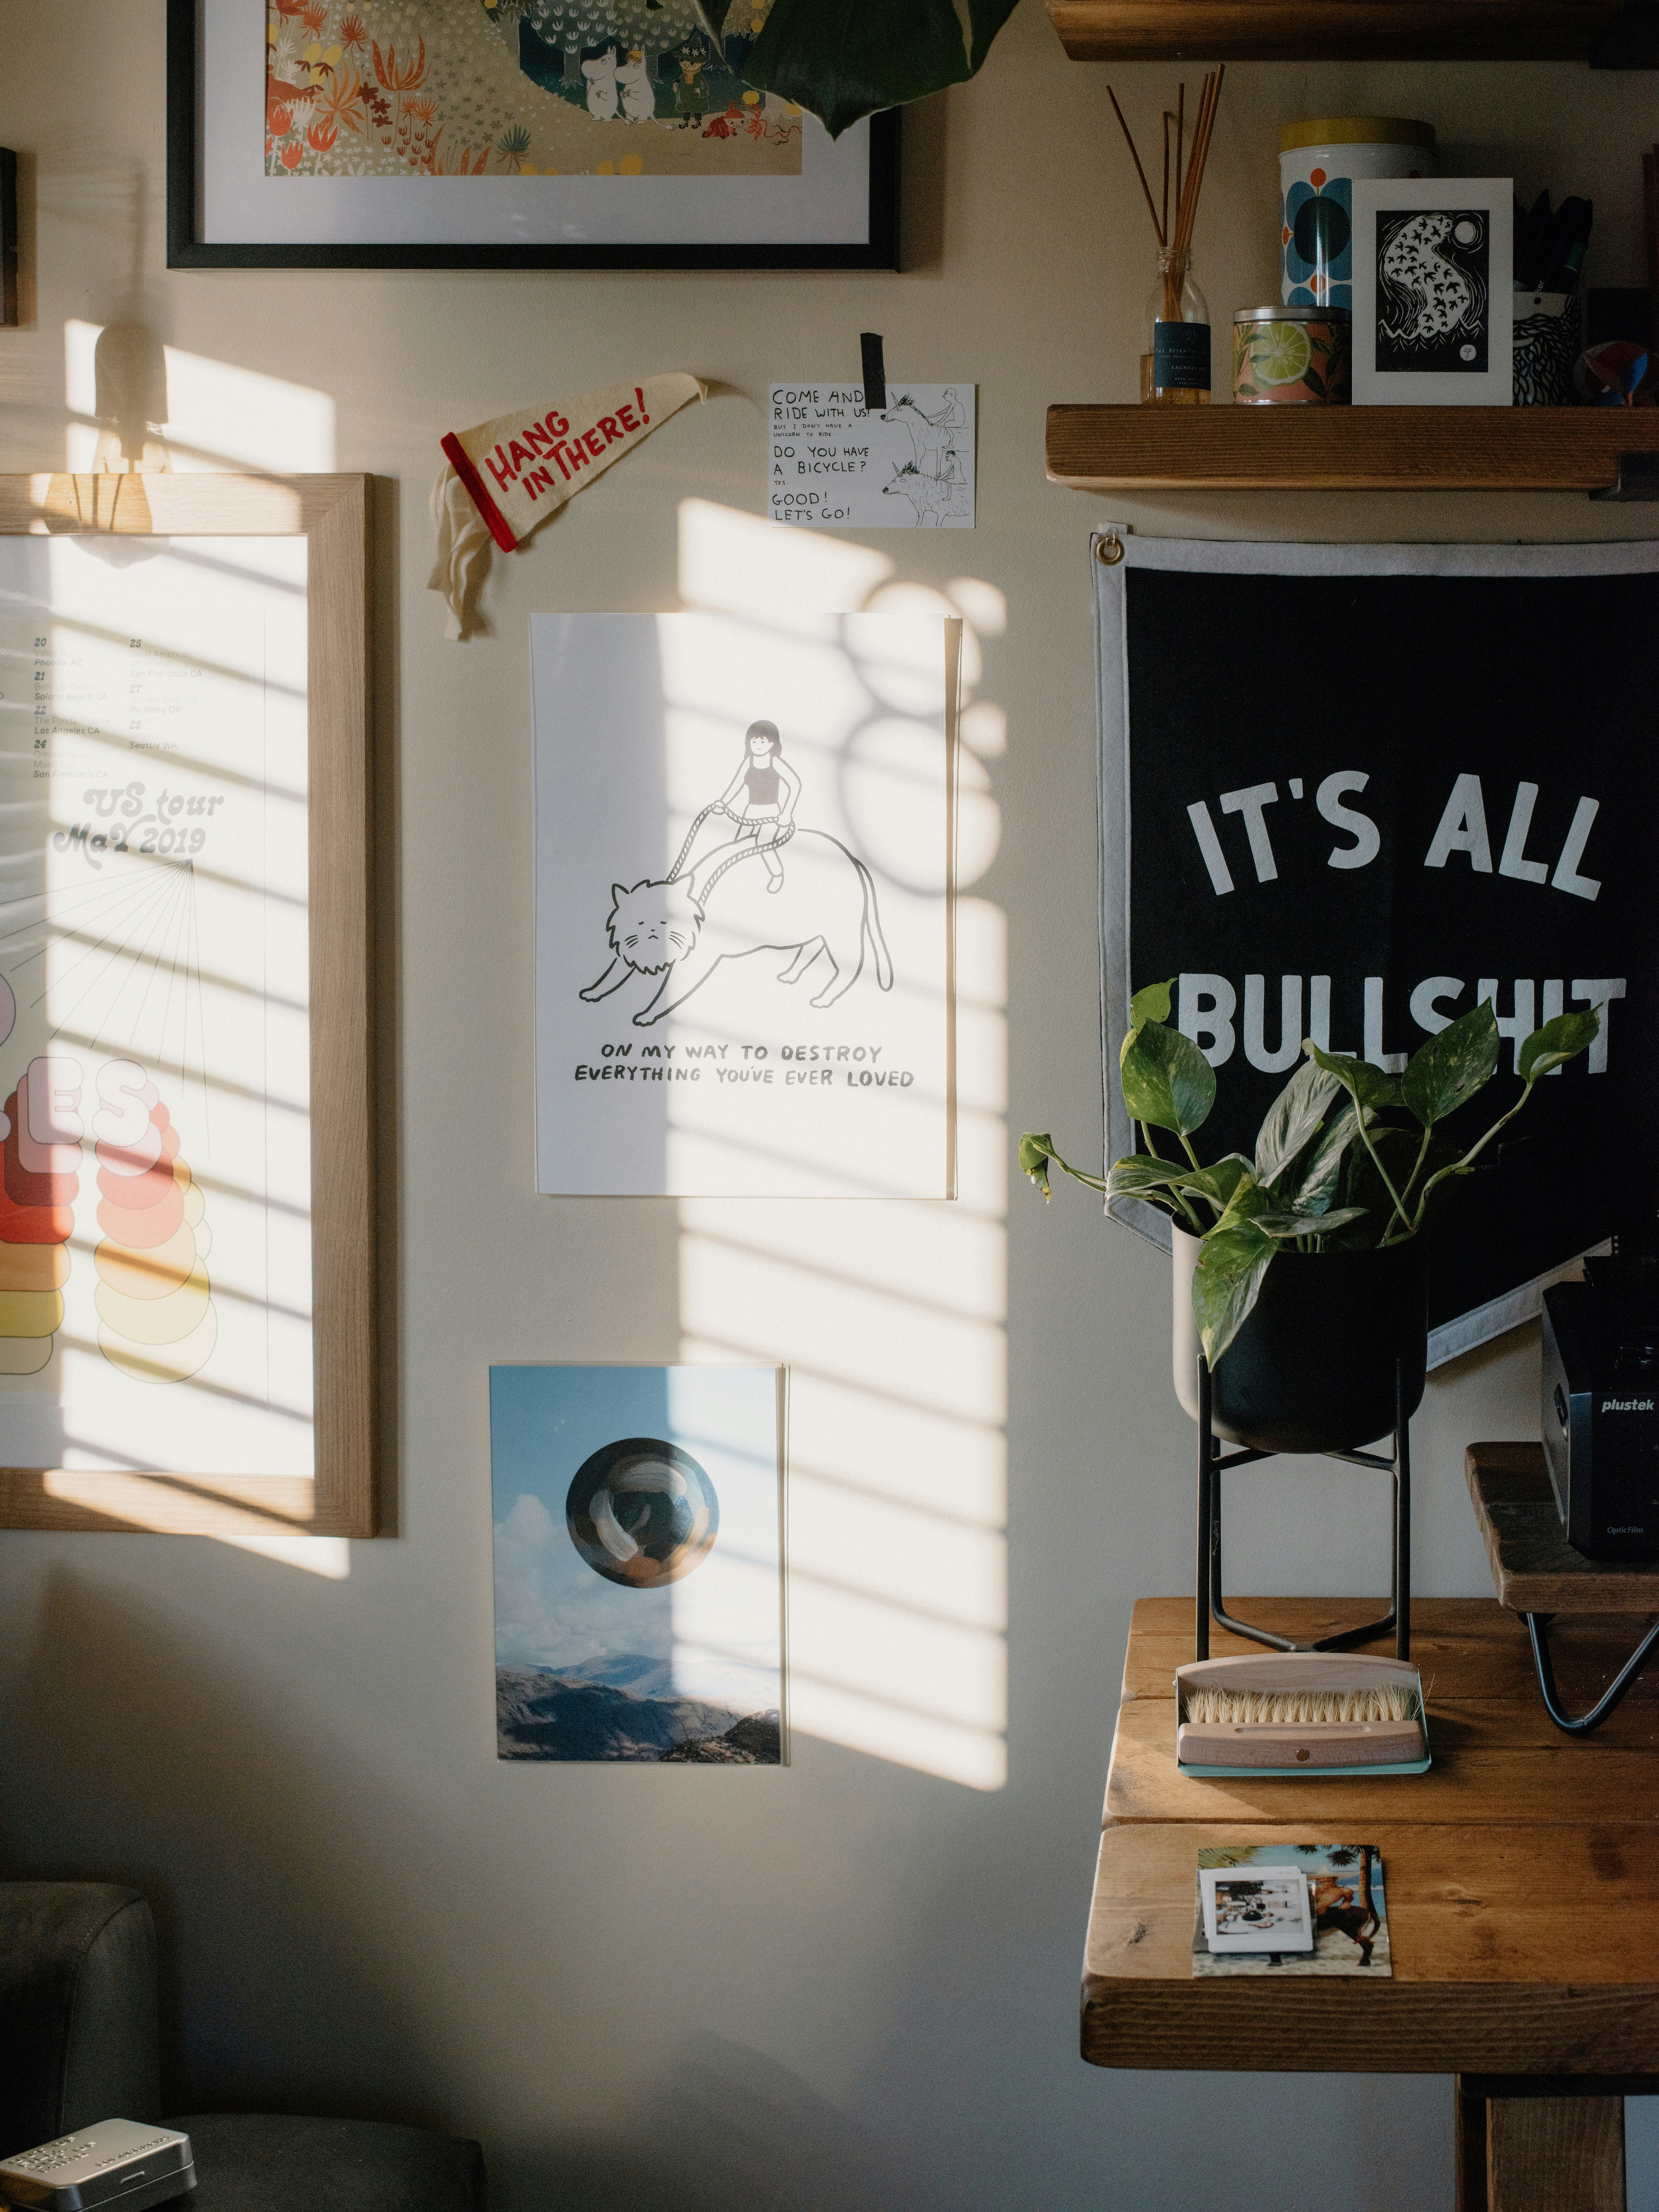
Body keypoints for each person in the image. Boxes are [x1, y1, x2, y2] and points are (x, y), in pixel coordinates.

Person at [705, 720, 799, 893]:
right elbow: (736, 785)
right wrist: (723, 803)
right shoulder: (748, 762)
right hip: (751, 811)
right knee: (739, 844)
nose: (758, 745)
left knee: (763, 843)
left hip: (771, 811)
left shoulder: (775, 762)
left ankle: (777, 874)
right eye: (754, 741)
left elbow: (795, 784)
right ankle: (738, 880)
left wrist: (787, 813)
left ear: (772, 744)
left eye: (763, 741)